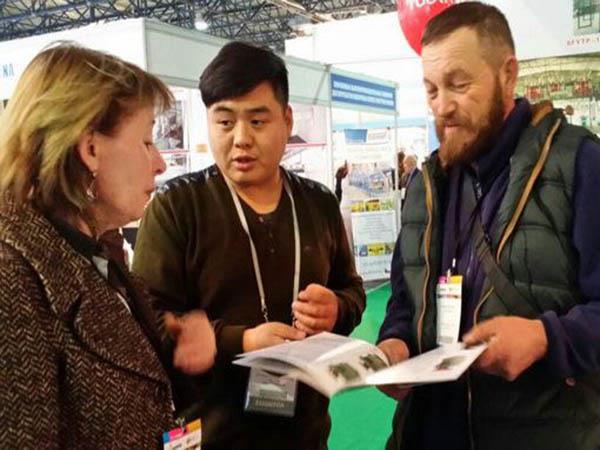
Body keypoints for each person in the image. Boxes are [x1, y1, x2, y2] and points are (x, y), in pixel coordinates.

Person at [377, 3, 600, 450]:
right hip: (427, 432)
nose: (443, 106)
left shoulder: (580, 164)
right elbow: (404, 299)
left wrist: (546, 337)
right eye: (431, 90)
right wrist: (395, 345)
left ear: (507, 74)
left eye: (459, 84)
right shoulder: (426, 185)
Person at [132, 41, 366, 450]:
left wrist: (337, 308)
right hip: (209, 433)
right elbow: (146, 321)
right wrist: (241, 341)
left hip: (305, 434)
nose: (241, 139)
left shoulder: (318, 203)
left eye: (257, 121)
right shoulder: (178, 206)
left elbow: (352, 290)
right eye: (225, 122)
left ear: (286, 120)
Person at [0, 44, 216, 448]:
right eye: (146, 141)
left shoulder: (96, 248)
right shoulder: (12, 277)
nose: (160, 163)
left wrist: (177, 352)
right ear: (90, 149)